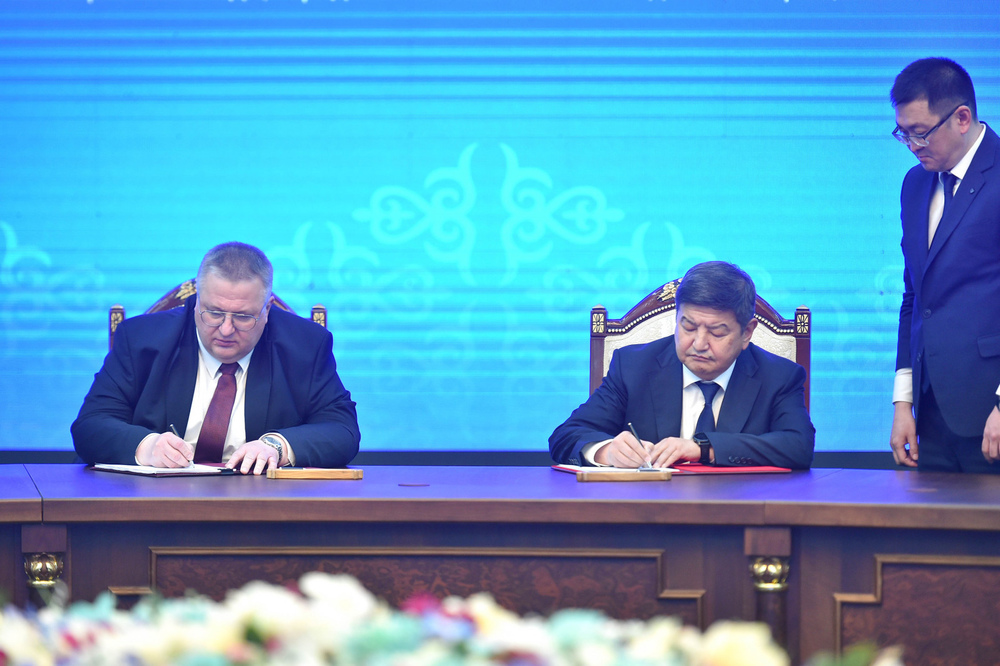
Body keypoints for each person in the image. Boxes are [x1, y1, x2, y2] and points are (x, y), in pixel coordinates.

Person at [72, 242, 361, 475]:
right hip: (157, 505)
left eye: (243, 317)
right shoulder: (141, 341)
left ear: (267, 309)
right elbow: (90, 425)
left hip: (265, 506)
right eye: (213, 312)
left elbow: (342, 430)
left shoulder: (306, 346)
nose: (225, 329)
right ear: (196, 300)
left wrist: (277, 446)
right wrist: (146, 446)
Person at [549, 261, 814, 469]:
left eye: (717, 332)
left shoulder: (779, 376)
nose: (699, 343)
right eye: (688, 326)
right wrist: (606, 451)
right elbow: (566, 436)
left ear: (747, 333)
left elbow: (798, 446)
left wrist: (703, 449)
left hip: (740, 509)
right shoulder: (633, 367)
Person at [888, 57, 1000, 472]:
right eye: (903, 133)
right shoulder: (915, 184)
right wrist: (903, 401)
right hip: (931, 416)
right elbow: (914, 298)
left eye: (920, 133)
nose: (912, 145)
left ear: (962, 118)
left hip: (991, 413)